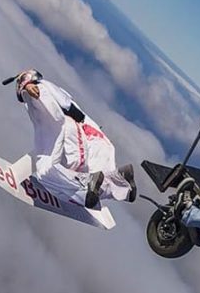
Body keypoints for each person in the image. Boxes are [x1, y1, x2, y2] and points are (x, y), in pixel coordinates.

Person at [12, 69, 135, 208]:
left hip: (66, 131)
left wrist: (27, 88)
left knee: (47, 173)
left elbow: (60, 105)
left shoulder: (39, 88)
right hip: (75, 131)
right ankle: (122, 185)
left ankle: (87, 185)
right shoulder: (50, 88)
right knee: (86, 177)